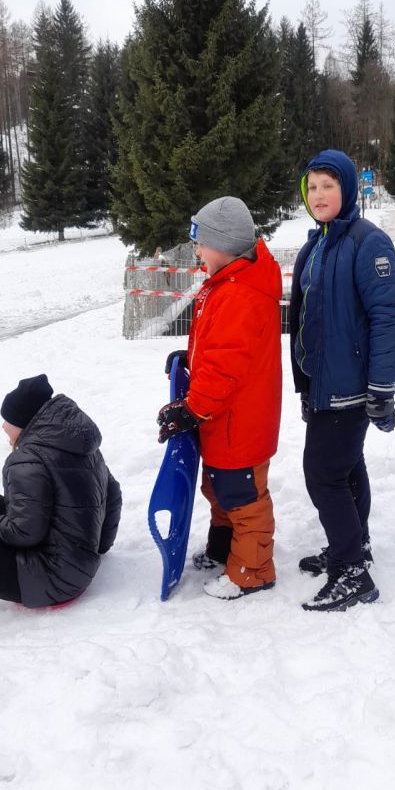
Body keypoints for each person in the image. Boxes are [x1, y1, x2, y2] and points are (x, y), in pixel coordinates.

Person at [289, 150, 395, 612]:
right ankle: (353, 546)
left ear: (349, 189)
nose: (319, 195)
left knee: (323, 475)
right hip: (321, 383)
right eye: (312, 187)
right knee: (347, 466)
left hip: (350, 386)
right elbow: (303, 317)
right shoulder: (315, 245)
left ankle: (353, 573)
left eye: (328, 186)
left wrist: (382, 388)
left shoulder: (367, 242)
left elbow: (386, 318)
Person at [157, 196, 282, 601]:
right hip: (225, 418)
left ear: (225, 245)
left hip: (239, 421)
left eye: (201, 242)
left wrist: (192, 408)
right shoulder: (228, 282)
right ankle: (223, 549)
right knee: (220, 490)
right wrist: (188, 358)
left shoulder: (240, 294)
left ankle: (253, 570)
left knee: (243, 499)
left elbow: (226, 368)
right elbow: (216, 350)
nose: (196, 251)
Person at [0, 374, 122, 609]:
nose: (3, 426)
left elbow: (24, 532)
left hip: (50, 577)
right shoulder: (79, 443)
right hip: (70, 561)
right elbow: (114, 496)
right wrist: (98, 547)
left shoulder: (29, 459)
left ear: (22, 422)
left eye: (7, 420)